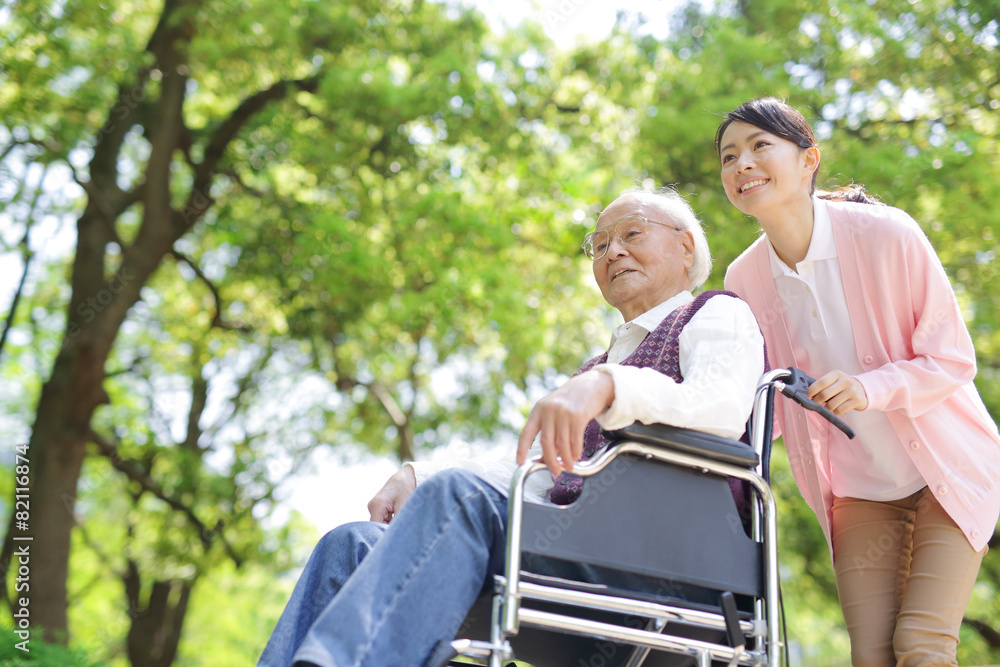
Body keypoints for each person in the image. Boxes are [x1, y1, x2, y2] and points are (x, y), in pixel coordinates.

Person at [257, 187, 766, 667]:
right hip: (576, 547)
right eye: (601, 244)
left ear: (684, 247)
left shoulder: (716, 313)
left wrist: (611, 387)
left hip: (675, 558)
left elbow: (720, 409)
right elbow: (537, 473)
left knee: (460, 497)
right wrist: (423, 476)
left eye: (632, 234)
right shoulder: (591, 370)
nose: (613, 252)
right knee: (353, 545)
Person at [718, 96, 1000, 667]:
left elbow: (952, 360)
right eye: (728, 157)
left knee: (921, 646)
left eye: (759, 146)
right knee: (872, 657)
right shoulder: (742, 279)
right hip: (858, 492)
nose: (741, 164)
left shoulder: (887, 234)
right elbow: (764, 407)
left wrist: (871, 388)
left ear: (808, 160)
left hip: (948, 470)